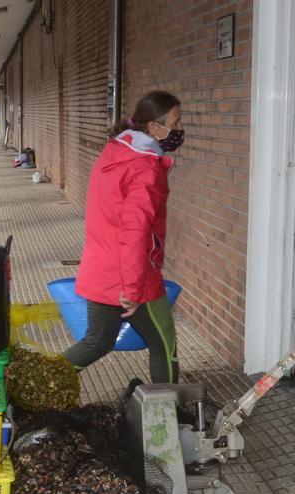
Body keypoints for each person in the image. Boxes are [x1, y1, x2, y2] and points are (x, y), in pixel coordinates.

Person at [64, 91, 184, 384]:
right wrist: (131, 288)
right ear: (155, 128)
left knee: (97, 342)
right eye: (176, 123)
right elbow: (134, 231)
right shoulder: (145, 169)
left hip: (101, 267)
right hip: (131, 275)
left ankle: (32, 385)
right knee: (163, 344)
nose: (180, 130)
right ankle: (168, 416)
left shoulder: (116, 151)